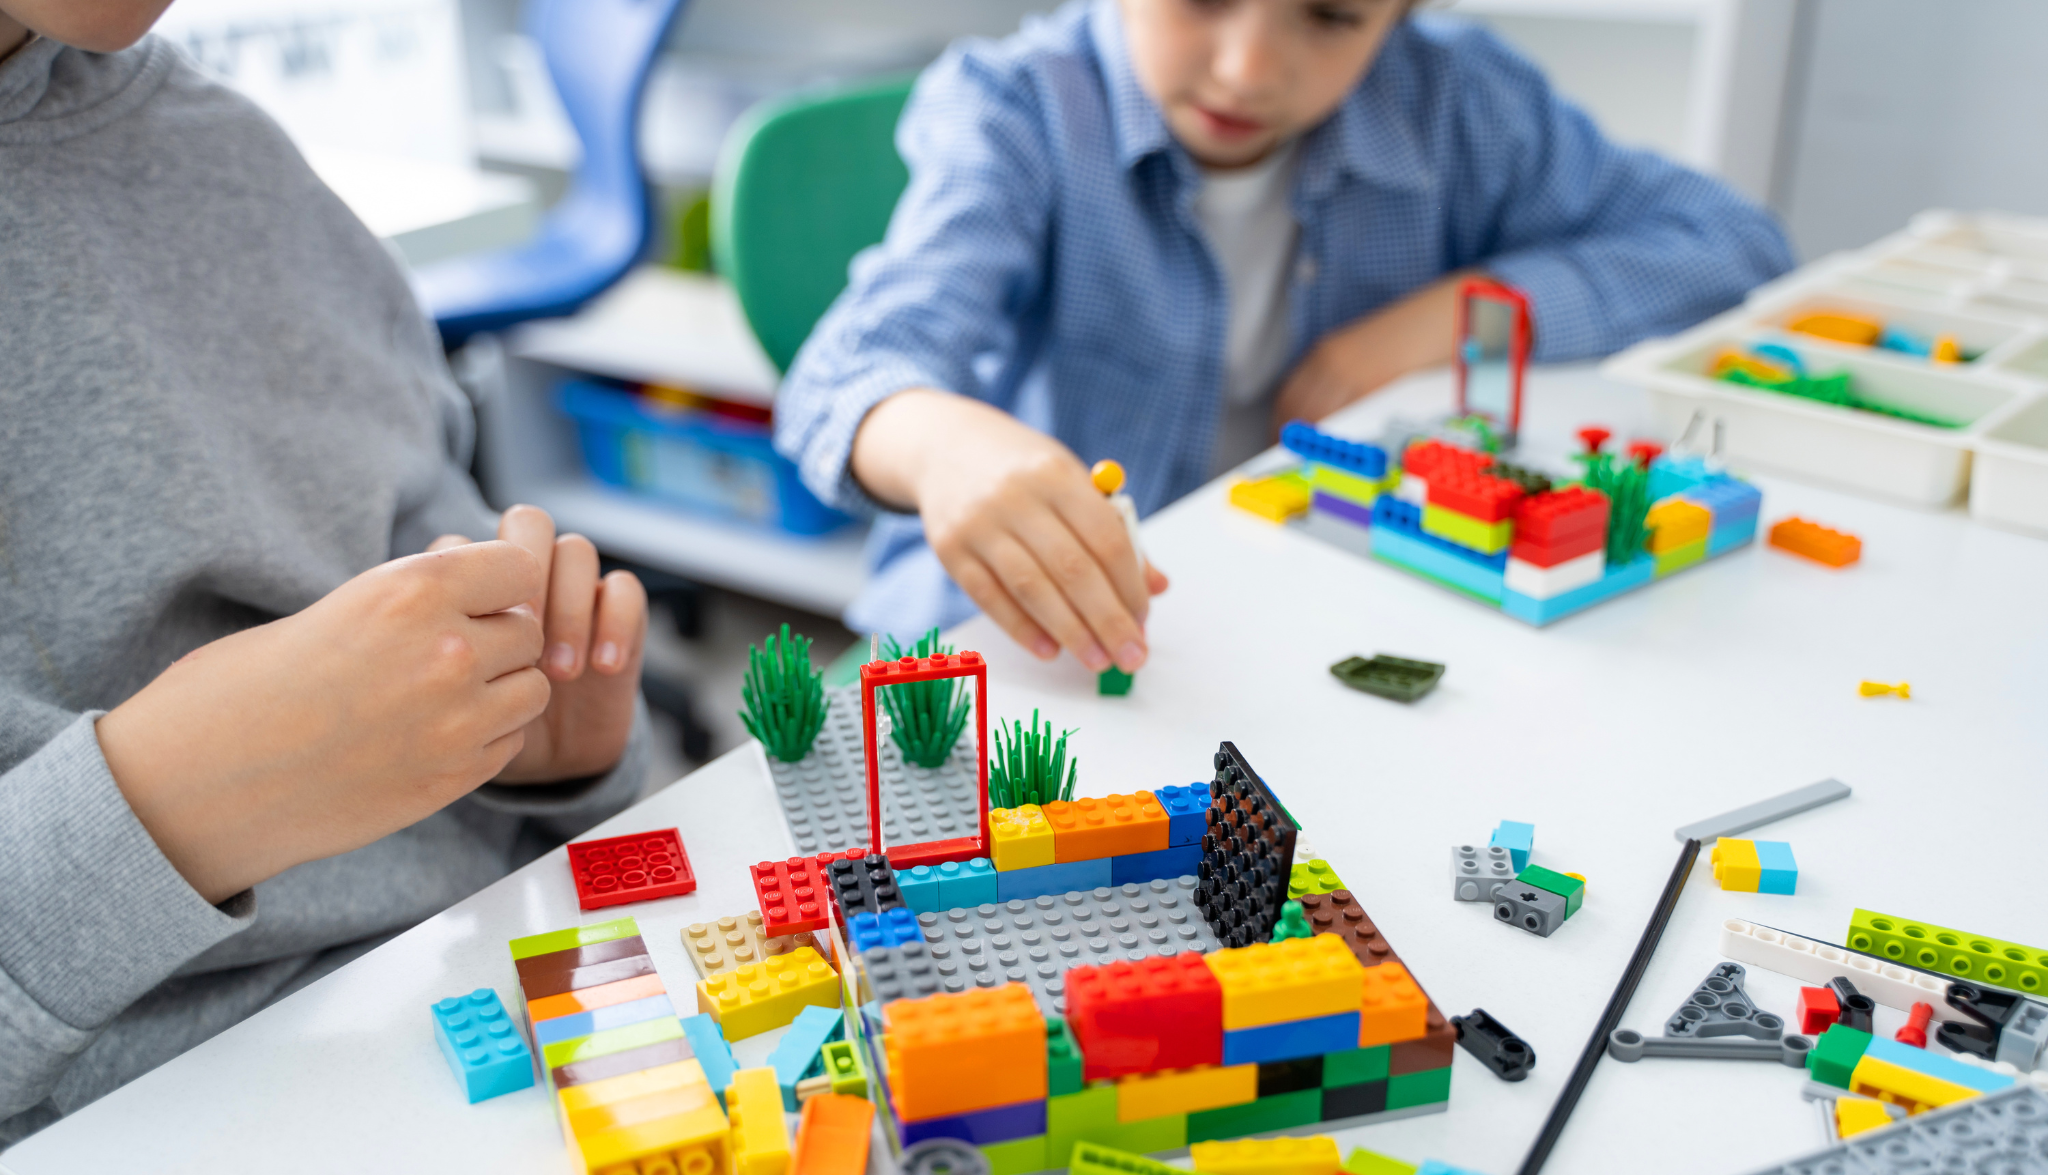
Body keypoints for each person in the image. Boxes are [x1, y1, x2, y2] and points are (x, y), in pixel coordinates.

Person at [0, 0, 650, 1142]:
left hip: (498, 976)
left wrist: (532, 741)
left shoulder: (231, 155)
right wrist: (172, 805)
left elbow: (430, 532)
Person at [776, 0, 1794, 674]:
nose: (1247, 67)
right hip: (1020, 645)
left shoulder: (1460, 101)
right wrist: (938, 443)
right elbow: (844, 374)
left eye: (1332, 15)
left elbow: (1731, 240)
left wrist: (1459, 310)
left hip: (1307, 621)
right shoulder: (1019, 110)